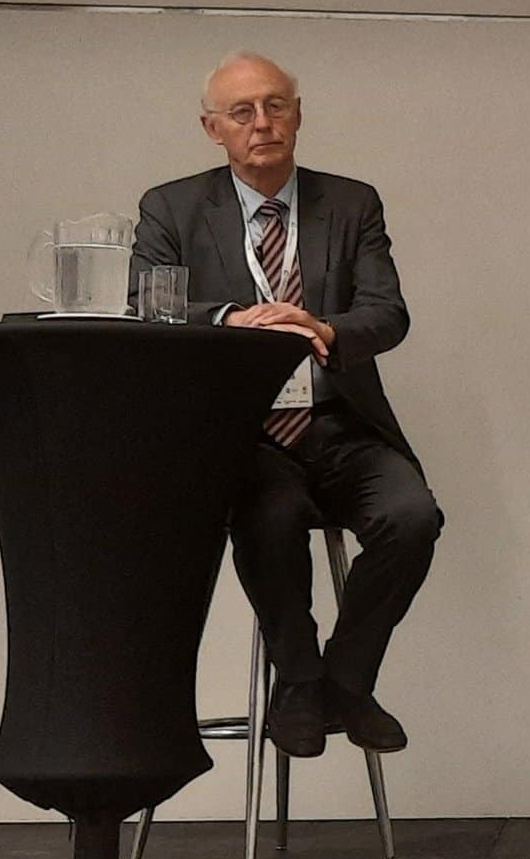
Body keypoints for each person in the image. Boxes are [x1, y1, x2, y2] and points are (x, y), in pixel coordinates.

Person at [131, 51, 441, 759]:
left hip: (340, 422)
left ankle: (345, 681)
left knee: (412, 517)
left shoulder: (352, 203)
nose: (262, 123)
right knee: (268, 517)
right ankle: (298, 680)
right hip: (244, 432)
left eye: (276, 105)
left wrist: (323, 328)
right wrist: (234, 319)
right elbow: (148, 305)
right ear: (212, 128)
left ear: (298, 115)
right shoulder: (172, 208)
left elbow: (387, 313)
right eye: (242, 112)